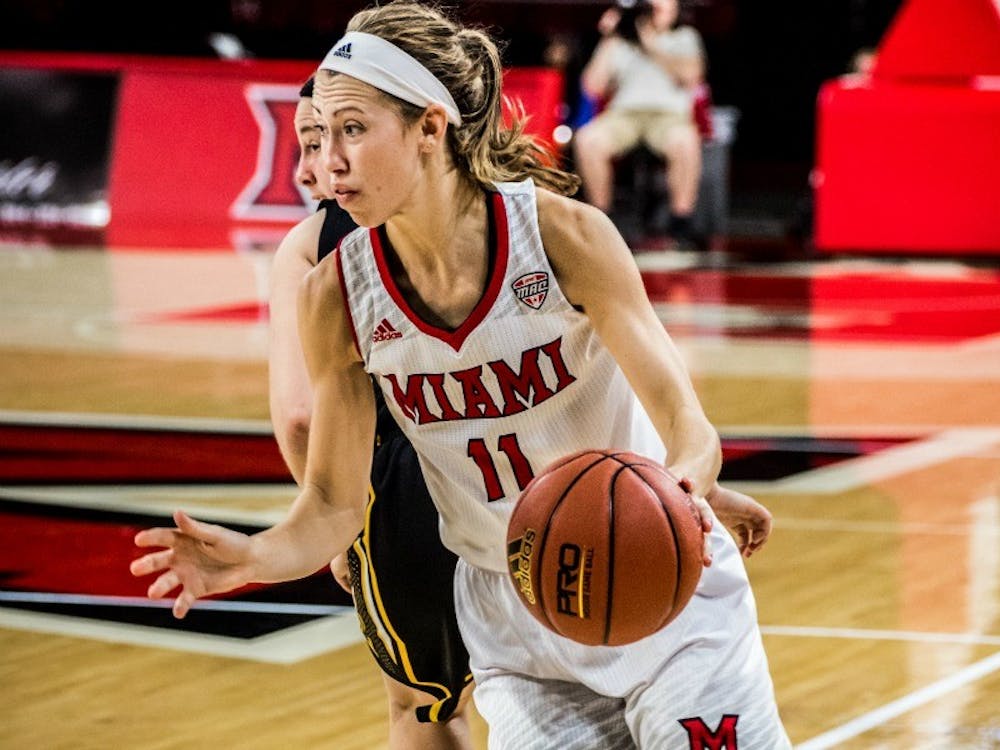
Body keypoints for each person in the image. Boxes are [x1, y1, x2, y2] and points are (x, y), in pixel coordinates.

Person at [130, 3, 788, 747]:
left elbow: (689, 430)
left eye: (353, 129)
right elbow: (333, 505)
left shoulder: (564, 236)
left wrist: (682, 494)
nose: (327, 162)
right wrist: (255, 556)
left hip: (661, 588)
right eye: (319, 135)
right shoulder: (334, 295)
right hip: (513, 616)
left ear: (430, 129)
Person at [268, 75, 475, 745]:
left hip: (404, 490)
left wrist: (336, 524)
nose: (309, 167)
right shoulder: (506, 215)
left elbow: (301, 416)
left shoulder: (312, 248)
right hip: (529, 471)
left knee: (429, 710)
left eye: (321, 139)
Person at [574, 0, 705, 246]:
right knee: (587, 139)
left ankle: (681, 221)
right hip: (625, 116)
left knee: (686, 141)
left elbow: (691, 77)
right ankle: (603, 221)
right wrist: (609, 38)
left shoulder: (685, 37)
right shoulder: (620, 41)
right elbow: (591, 86)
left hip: (669, 117)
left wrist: (649, 43)